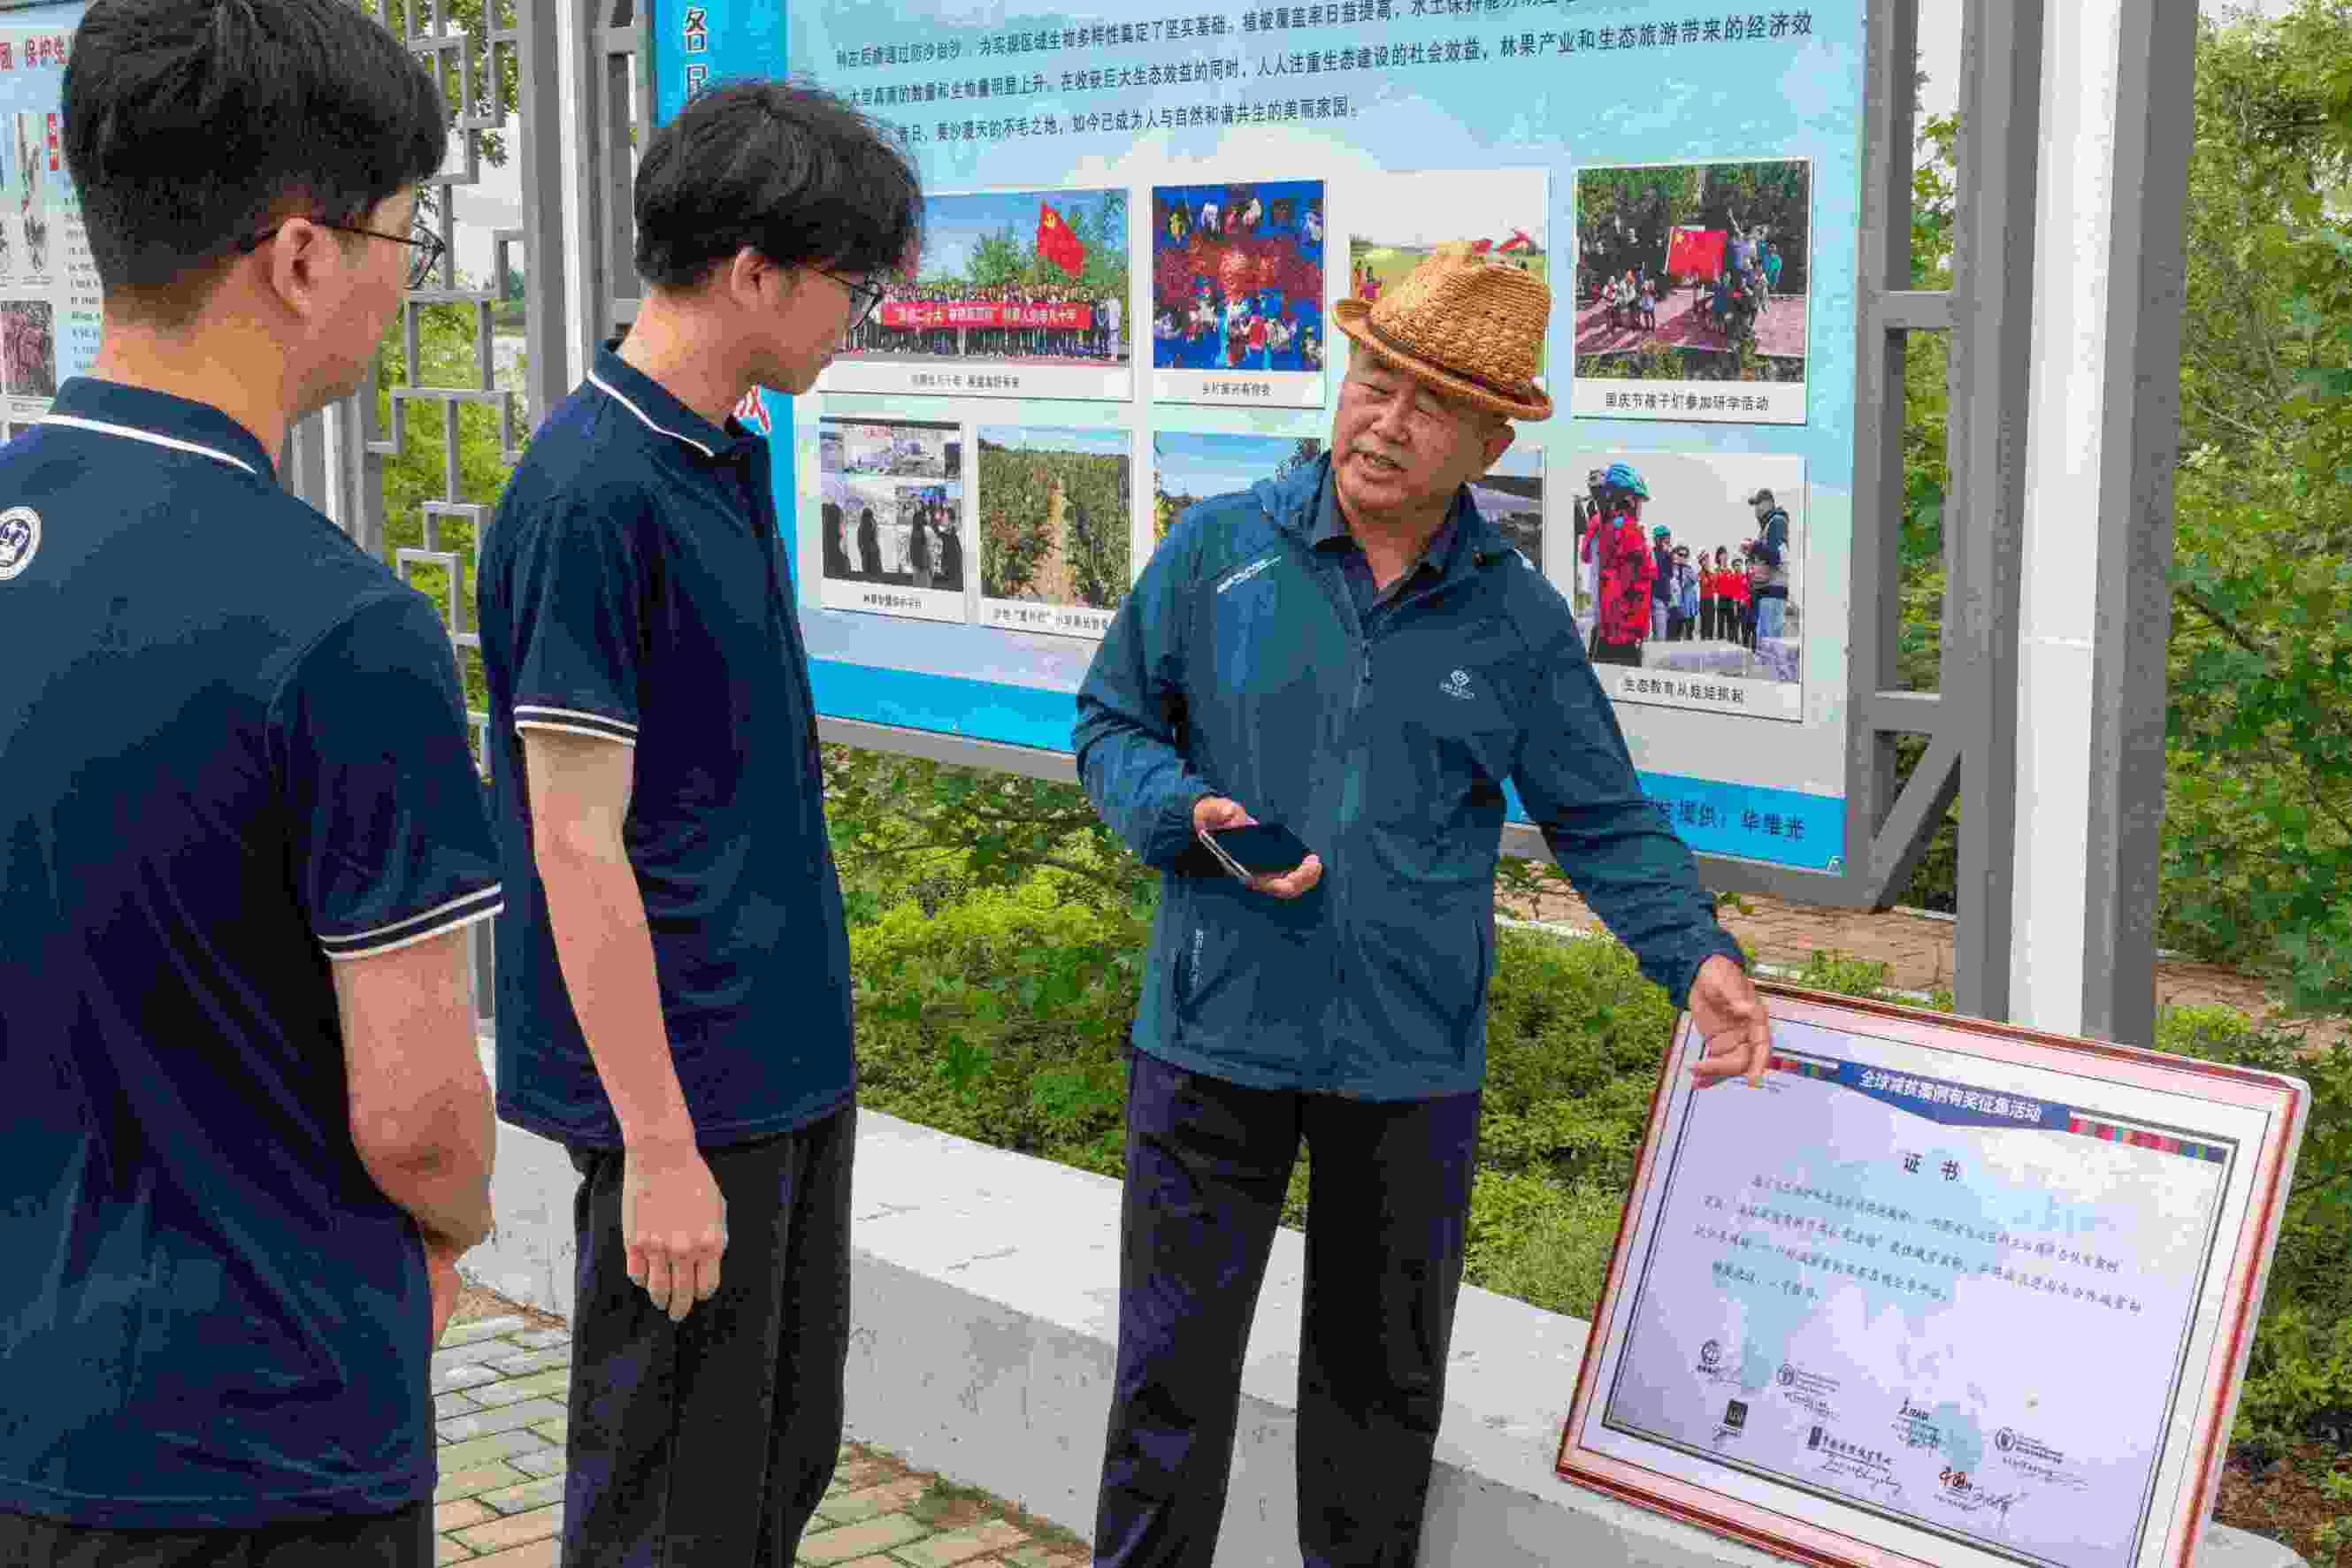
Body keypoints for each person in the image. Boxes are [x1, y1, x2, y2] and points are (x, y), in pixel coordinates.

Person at [1072, 241, 1771, 1568]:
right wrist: (1179, 813)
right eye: (1372, 380)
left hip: (1406, 1058)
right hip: (1209, 1038)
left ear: (1489, 436)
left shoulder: (1512, 620)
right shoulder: (1219, 549)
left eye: (1428, 402)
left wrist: (1695, 956)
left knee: (1378, 1402)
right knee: (1167, 1384)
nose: (1384, 420)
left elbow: (1599, 815)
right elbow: (1109, 724)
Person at [1, 2, 501, 1561]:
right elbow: (421, 1119)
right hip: (260, 1447)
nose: (392, 290)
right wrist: (459, 1231)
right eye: (399, 244)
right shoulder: (341, 626)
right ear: (299, 256)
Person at [473, 80, 920, 1568]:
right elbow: (572, 839)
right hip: (688, 1096)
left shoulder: (722, 456)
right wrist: (658, 1147)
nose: (853, 317)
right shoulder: (592, 491)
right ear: (752, 272)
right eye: (848, 285)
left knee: (772, 1461)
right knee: (668, 1501)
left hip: (780, 1067)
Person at [1590, 463, 1655, 668]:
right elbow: (1629, 584)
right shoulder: (1630, 533)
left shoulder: (1609, 528)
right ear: (1629, 500)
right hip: (1623, 637)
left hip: (1610, 632)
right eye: (1639, 500)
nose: (1641, 507)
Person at [1748, 486, 1792, 640]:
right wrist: (1752, 552)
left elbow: (1776, 557)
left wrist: (1754, 546)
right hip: (1767, 593)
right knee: (1766, 648)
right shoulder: (1768, 526)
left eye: (1757, 504)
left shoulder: (1777, 522)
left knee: (1770, 649)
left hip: (1774, 593)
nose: (1755, 510)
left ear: (1768, 503)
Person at [1651, 524, 1676, 643]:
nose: (1669, 540)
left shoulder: (1666, 554)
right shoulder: (1653, 553)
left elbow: (1670, 574)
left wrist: (1669, 556)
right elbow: (1658, 575)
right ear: (1659, 539)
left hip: (1663, 598)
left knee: (1660, 636)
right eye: (1667, 538)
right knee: (1660, 638)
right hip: (1657, 597)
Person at [858, 501, 882, 578]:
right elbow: (876, 537)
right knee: (877, 573)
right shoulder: (874, 524)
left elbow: (860, 543)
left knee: (868, 574)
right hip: (874, 550)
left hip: (866, 552)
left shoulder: (861, 527)